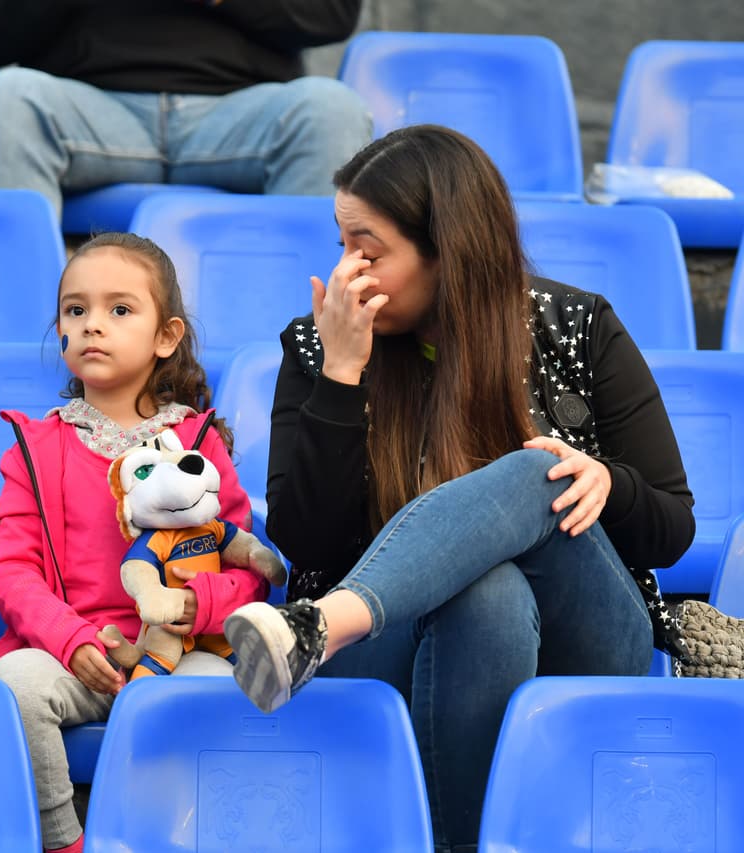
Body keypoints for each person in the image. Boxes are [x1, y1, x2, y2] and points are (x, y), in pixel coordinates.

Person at [221, 125, 696, 853]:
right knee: (488, 594)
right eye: (342, 244)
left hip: (586, 633)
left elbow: (672, 528)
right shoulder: (322, 344)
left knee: (542, 469)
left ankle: (318, 628)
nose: (347, 270)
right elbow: (307, 539)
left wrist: (608, 483)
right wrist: (342, 377)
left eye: (368, 250)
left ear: (447, 249)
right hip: (394, 646)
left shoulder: (578, 327)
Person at [0, 232, 272, 853]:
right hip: (73, 655)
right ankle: (62, 841)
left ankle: (161, 839)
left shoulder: (198, 444)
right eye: (75, 310)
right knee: (15, 685)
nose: (92, 324)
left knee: (216, 692)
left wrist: (201, 605)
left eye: (119, 309)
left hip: (179, 652)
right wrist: (71, 639)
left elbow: (246, 566)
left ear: (166, 336)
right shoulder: (35, 448)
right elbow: (11, 571)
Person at [0, 0, 372, 218]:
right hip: (83, 110)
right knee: (5, 100)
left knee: (330, 109)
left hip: (244, 115)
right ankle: (8, 343)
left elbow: (331, 14)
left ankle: (310, 349)